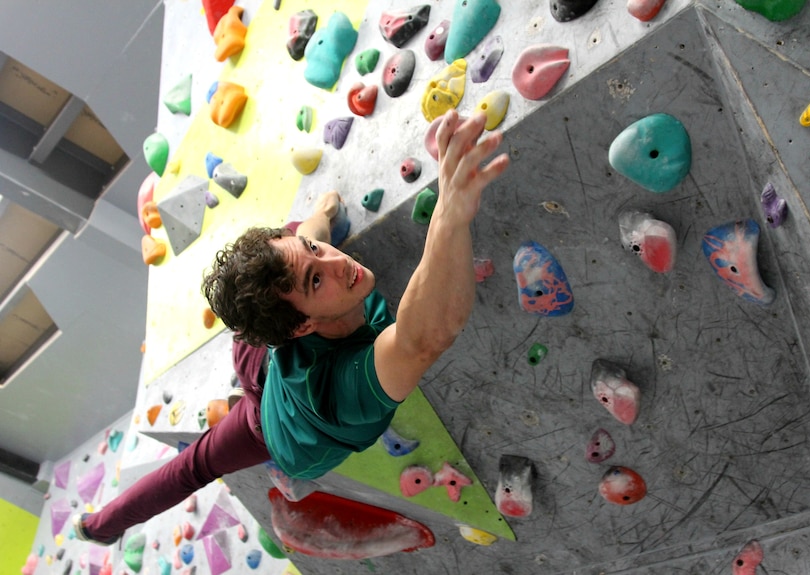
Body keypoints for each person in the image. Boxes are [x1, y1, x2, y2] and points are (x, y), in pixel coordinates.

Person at [73, 110, 510, 545]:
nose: (337, 263)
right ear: (300, 326)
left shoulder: (304, 294)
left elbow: (308, 239)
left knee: (277, 269)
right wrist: (448, 218)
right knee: (195, 466)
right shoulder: (336, 392)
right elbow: (421, 339)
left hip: (257, 360)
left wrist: (322, 215)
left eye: (316, 250)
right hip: (271, 428)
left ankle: (291, 273)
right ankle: (99, 527)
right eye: (316, 280)